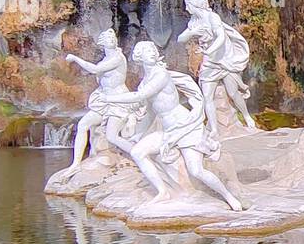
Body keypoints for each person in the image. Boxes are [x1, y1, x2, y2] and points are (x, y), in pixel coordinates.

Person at [101, 41, 244, 210]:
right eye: (147, 51)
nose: (152, 53)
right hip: (168, 130)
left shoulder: (161, 75)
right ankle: (163, 192)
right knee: (137, 152)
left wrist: (110, 98)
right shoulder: (145, 81)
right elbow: (151, 113)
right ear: (139, 57)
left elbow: (141, 96)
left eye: (153, 49)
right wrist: (138, 134)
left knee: (196, 170)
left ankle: (228, 197)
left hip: (185, 126)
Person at [62, 29, 142, 170]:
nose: (112, 40)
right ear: (102, 43)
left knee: (112, 136)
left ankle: (140, 155)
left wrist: (75, 58)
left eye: (113, 38)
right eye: (108, 38)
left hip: (117, 101)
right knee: (83, 125)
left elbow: (94, 69)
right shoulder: (106, 59)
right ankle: (75, 163)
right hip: (104, 101)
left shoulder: (117, 57)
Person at [177, 0, 256, 129]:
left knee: (233, 92)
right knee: (207, 96)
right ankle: (214, 129)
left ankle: (247, 116)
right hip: (209, 61)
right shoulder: (193, 22)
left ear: (193, 5)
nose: (186, 9)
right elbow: (180, 39)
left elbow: (221, 37)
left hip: (224, 59)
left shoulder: (212, 17)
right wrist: (192, 33)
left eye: (187, 5)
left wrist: (208, 50)